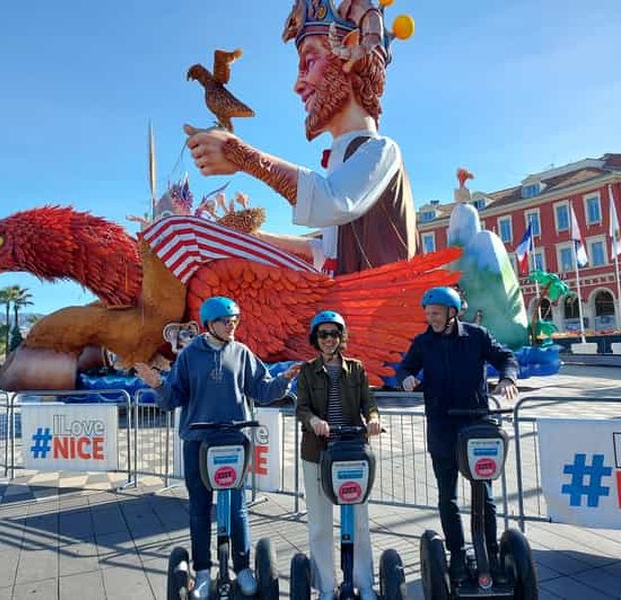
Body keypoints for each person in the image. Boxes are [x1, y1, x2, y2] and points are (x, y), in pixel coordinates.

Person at [185, 0, 417, 276]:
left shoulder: (381, 150)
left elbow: (331, 203)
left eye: (309, 62)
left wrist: (242, 156)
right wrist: (253, 237)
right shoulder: (341, 160)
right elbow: (326, 251)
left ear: (351, 58)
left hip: (382, 315)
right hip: (340, 313)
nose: (298, 84)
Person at [135, 296, 300, 599]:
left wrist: (283, 381)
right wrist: (157, 384)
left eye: (235, 320)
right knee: (199, 508)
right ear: (210, 324)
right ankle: (201, 571)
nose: (232, 325)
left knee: (236, 508)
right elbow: (174, 399)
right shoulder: (190, 356)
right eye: (227, 321)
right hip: (198, 442)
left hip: (234, 440)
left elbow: (261, 390)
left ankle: (243, 568)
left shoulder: (241, 352)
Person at [399, 286, 518, 585]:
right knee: (447, 496)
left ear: (453, 312)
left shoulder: (477, 336)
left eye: (436, 314)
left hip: (476, 424)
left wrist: (507, 378)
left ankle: (489, 553)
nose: (431, 319)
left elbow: (506, 357)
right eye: (428, 314)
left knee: (484, 494)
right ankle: (456, 554)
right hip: (441, 426)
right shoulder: (423, 342)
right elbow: (404, 368)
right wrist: (407, 379)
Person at [296, 310, 382, 600]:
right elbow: (302, 408)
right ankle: (325, 586)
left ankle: (364, 583)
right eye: (323, 334)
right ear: (316, 339)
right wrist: (313, 422)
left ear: (341, 337)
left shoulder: (356, 369)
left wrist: (372, 419)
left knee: (358, 519)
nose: (329, 339)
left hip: (351, 450)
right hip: (317, 453)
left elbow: (369, 403)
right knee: (320, 522)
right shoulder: (307, 371)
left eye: (334, 334)